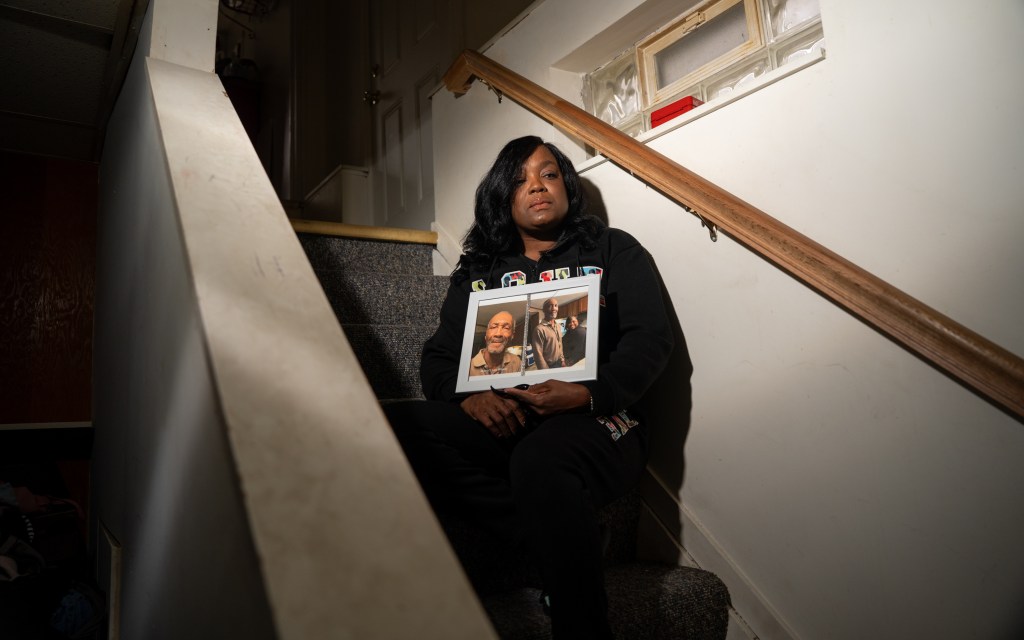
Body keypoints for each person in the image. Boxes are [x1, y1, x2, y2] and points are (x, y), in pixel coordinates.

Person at [385, 135, 673, 639]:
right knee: (394, 423)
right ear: (503, 195)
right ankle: (561, 538)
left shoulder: (612, 249)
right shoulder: (477, 272)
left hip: (598, 420)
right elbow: (438, 359)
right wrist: (470, 399)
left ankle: (582, 626)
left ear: (566, 186)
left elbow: (650, 340)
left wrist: (589, 394)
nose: (537, 187)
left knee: (540, 459)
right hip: (508, 421)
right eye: (520, 180)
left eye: (548, 174)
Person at [469, 310, 523, 376]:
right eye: (493, 327)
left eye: (506, 328)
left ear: (512, 335)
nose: (498, 334)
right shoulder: (468, 368)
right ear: (486, 334)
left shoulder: (517, 362)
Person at [531, 297, 565, 369]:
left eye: (556, 305)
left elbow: (560, 344)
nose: (554, 308)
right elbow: (538, 355)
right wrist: (546, 371)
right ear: (544, 310)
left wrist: (562, 360)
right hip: (549, 367)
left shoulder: (558, 326)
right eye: (550, 306)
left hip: (559, 363)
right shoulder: (539, 329)